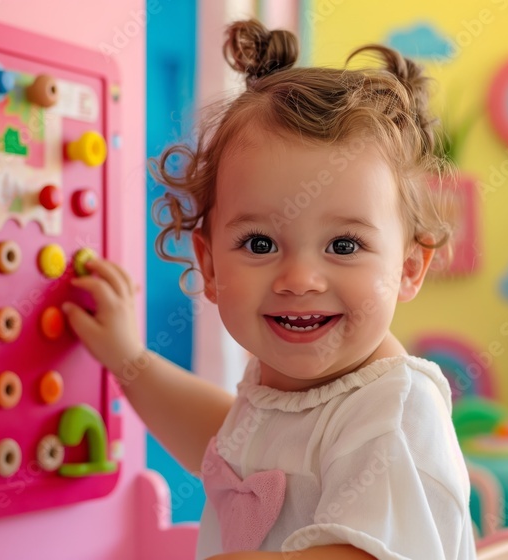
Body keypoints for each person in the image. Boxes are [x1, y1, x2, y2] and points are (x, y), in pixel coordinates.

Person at [62, 18, 476, 560]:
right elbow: (224, 442)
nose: (299, 279)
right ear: (209, 267)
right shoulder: (279, 388)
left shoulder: (393, 411)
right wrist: (127, 359)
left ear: (409, 269)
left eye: (344, 246)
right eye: (260, 244)